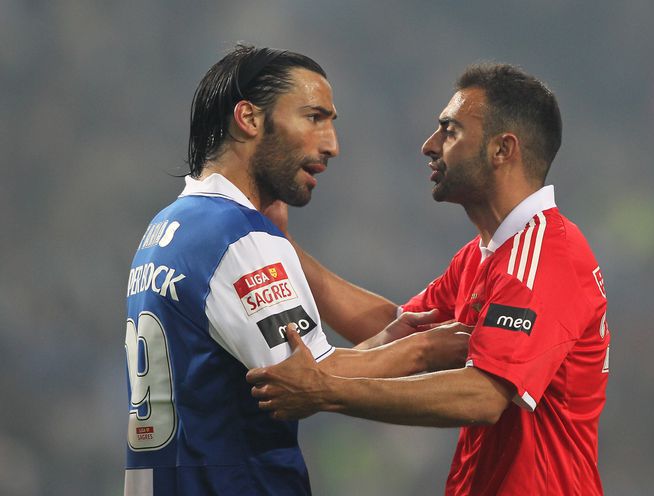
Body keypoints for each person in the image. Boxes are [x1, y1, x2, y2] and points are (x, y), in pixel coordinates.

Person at [249, 63, 611, 495]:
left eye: (450, 130)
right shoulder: (483, 256)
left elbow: (483, 396)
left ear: (502, 149)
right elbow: (398, 328)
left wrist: (327, 391)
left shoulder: (548, 256)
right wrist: (281, 244)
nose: (429, 145)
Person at [123, 44, 469, 496]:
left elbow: (291, 370)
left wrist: (387, 338)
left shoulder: (166, 227)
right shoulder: (238, 235)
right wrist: (426, 351)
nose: (332, 145)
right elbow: (310, 381)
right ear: (248, 119)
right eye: (313, 118)